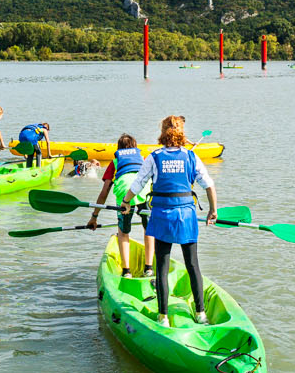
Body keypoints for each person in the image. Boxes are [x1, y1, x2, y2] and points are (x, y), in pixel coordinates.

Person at [123, 116, 218, 327]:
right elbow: (209, 185)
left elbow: (138, 183)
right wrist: (213, 210)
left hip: (163, 216)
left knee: (162, 268)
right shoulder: (191, 156)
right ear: (182, 133)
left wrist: (126, 202)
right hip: (186, 216)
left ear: (163, 132)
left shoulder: (154, 157)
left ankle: (163, 317)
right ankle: (200, 313)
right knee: (192, 265)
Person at [88, 134, 155, 278]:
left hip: (124, 195)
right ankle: (149, 268)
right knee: (149, 229)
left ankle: (126, 271)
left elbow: (104, 192)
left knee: (123, 233)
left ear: (119, 148)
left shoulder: (115, 162)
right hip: (144, 192)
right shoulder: (143, 159)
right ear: (135, 147)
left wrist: (94, 217)